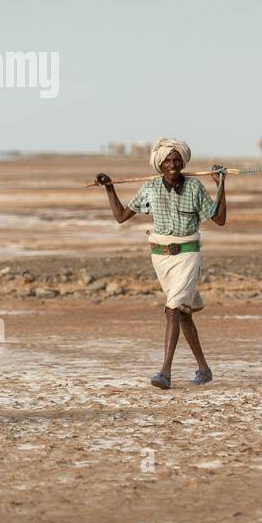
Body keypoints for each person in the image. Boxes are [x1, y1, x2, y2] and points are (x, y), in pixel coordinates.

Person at [95, 138, 227, 389]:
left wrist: (221, 186)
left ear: (183, 162)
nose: (173, 165)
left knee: (173, 309)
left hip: (188, 254)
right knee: (183, 314)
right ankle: (204, 368)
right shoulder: (151, 188)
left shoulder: (195, 187)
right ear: (160, 165)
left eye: (177, 160)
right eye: (167, 160)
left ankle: (165, 372)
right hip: (161, 258)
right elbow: (122, 216)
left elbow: (219, 219)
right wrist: (109, 188)